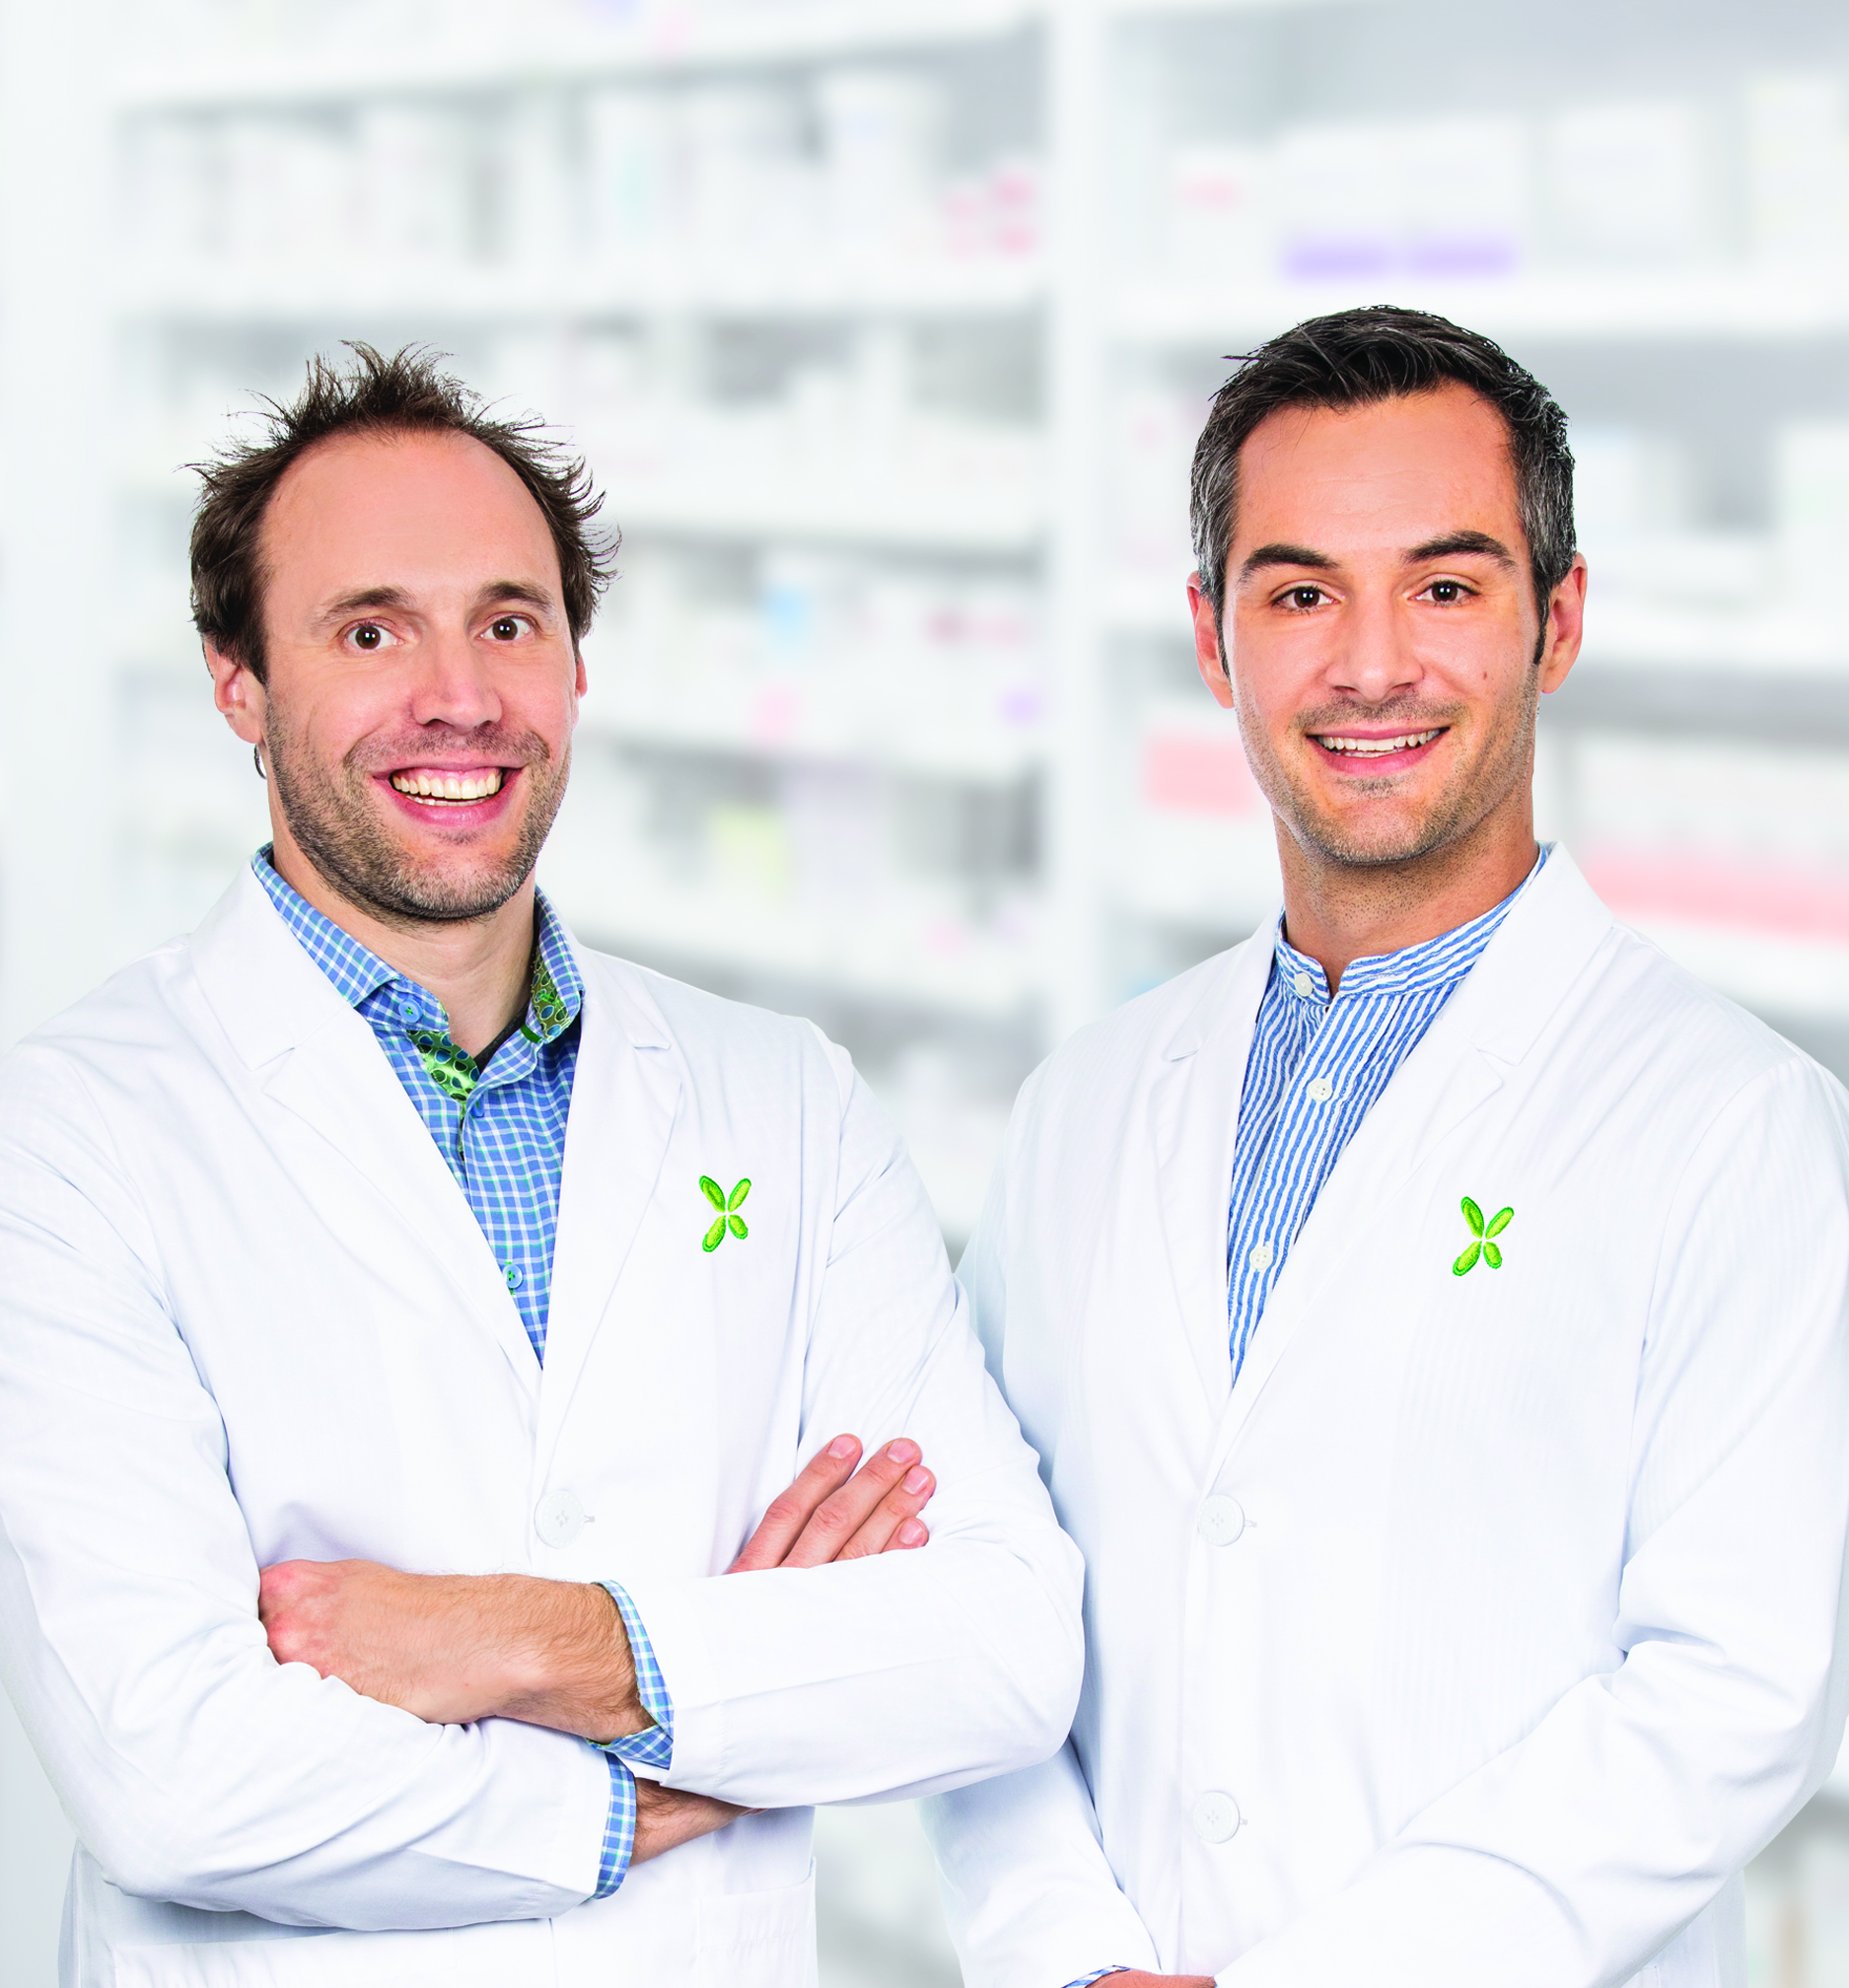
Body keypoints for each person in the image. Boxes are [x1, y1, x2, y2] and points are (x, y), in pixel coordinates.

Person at [0, 345, 1082, 1988]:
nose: (459, 696)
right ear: (238, 684)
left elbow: (999, 1646)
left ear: (577, 663)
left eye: (508, 621)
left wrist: (514, 1640)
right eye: (371, 631)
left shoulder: (779, 1098)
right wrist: (688, 1751)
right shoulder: (73, 1130)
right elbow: (172, 1774)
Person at [921, 306, 1849, 1988]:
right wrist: (1062, 1950)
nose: (1367, 666)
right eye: (1298, 594)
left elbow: (1730, 1696)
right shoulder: (1086, 1104)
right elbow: (984, 1599)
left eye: (1443, 586)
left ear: (1557, 619)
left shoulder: (1737, 1125)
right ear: (1210, 638)